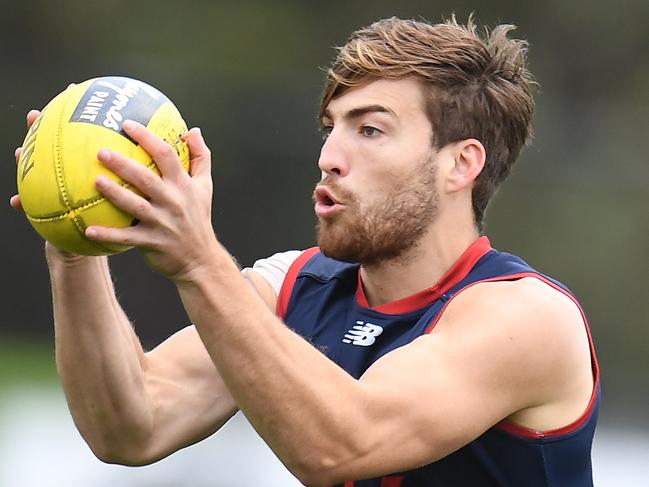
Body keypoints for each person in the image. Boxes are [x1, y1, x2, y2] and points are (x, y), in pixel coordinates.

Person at [12, 15, 599, 487]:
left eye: (369, 130)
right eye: (330, 129)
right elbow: (130, 425)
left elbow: (342, 444)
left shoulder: (527, 318)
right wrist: (73, 243)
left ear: (460, 164)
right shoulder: (294, 284)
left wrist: (197, 261)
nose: (329, 157)